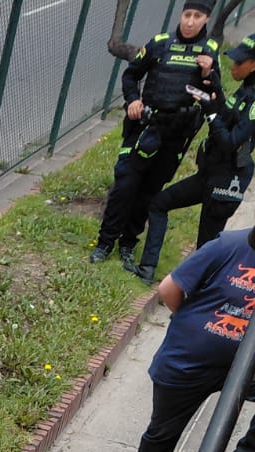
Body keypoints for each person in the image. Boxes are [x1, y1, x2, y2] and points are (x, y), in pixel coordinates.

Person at [111, 225, 255, 452]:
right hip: (191, 360)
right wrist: (191, 325)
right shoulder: (229, 245)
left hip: (247, 366)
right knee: (162, 432)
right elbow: (169, 288)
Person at [90, 2, 220, 269]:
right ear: (181, 16)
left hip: (176, 134)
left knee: (149, 191)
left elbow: (214, 94)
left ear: (206, 19)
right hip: (144, 127)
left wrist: (208, 73)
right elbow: (131, 75)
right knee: (125, 185)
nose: (190, 21)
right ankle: (104, 243)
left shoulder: (210, 51)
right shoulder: (160, 43)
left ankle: (128, 245)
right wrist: (133, 100)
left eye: (197, 17)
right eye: (187, 15)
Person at [130, 36, 255, 285]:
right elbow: (227, 114)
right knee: (160, 203)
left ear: (253, 65)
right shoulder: (244, 89)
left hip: (226, 181)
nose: (233, 66)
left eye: (239, 62)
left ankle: (194, 303)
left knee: (206, 249)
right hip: (209, 172)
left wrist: (210, 114)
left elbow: (231, 140)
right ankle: (146, 270)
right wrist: (215, 91)